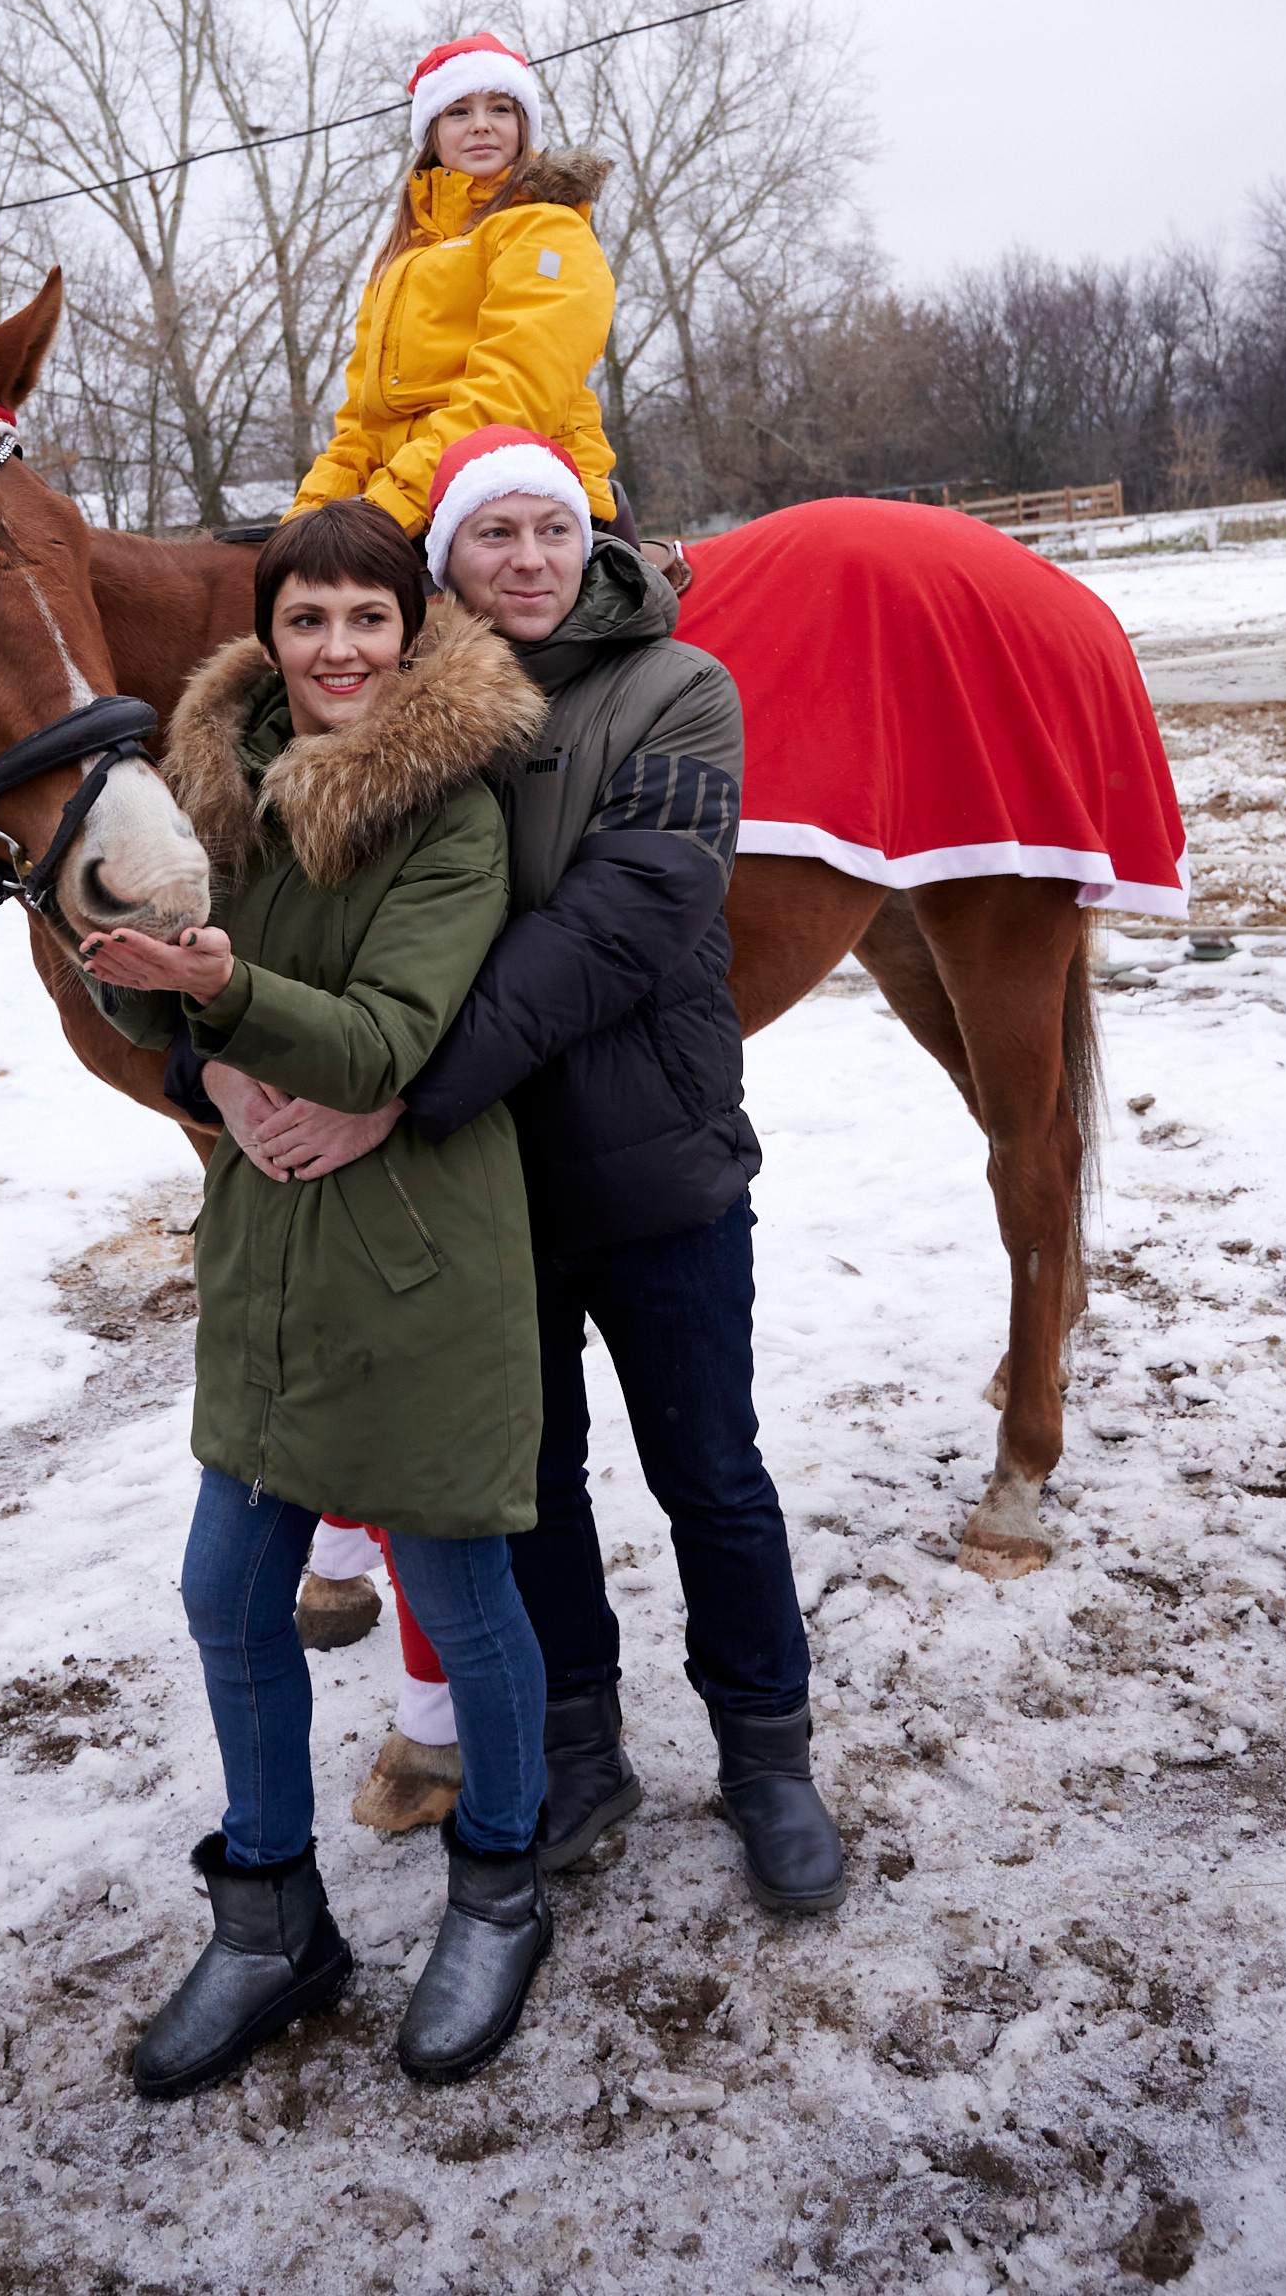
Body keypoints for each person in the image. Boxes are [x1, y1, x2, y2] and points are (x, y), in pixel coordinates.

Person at [201, 430, 846, 1919]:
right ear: (447, 571)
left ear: (587, 541)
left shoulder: (676, 692)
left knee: (710, 1476)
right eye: (490, 536)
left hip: (648, 1166)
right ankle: (580, 1747)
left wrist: (394, 1089)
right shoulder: (402, 713)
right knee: (525, 1493)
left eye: (549, 532)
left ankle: (765, 1754)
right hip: (478, 1193)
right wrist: (225, 1057)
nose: (527, 561)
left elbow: (626, 920)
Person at [78, 497, 556, 2095]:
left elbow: (378, 1041)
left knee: (465, 1596)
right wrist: (183, 1035)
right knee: (227, 1593)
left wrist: (223, 996)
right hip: (268, 1249)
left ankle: (498, 1886)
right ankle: (272, 1915)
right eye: (306, 621)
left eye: (368, 618)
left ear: (409, 631)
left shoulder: (452, 809)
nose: (338, 648)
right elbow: (144, 992)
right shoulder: (202, 790)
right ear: (264, 638)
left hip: (418, 1249)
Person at [286, 30, 620, 540]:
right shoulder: (401, 257)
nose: (481, 124)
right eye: (458, 111)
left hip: (522, 493)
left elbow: (515, 394)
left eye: (501, 108)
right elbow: (362, 422)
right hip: (411, 499)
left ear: (523, 125)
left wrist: (390, 506)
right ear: (432, 133)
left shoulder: (545, 229)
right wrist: (305, 521)